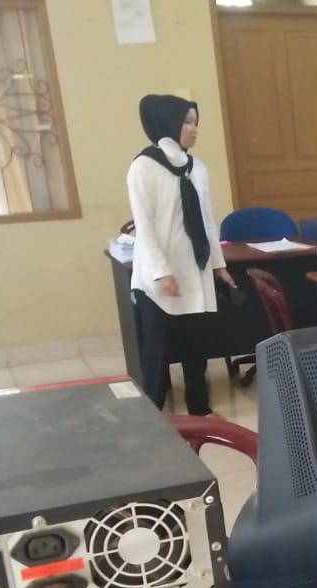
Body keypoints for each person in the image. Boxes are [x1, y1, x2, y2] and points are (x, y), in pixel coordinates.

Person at [127, 94, 235, 415]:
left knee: (196, 348)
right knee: (157, 352)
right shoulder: (143, 167)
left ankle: (199, 410)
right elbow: (144, 227)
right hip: (156, 278)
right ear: (169, 123)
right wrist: (162, 272)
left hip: (193, 270)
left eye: (195, 122)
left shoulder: (196, 168)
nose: (194, 129)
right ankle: (151, 414)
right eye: (187, 122)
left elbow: (207, 220)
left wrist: (218, 265)